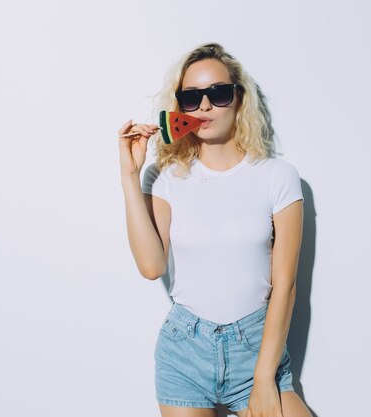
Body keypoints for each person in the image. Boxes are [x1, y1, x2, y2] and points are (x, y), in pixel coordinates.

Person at [118, 43, 312, 417]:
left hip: (257, 348)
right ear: (180, 107)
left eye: (218, 94)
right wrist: (130, 176)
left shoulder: (278, 177)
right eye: (191, 98)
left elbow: (285, 286)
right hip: (184, 352)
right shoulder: (164, 178)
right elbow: (151, 267)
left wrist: (262, 380)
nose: (204, 107)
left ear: (238, 99)